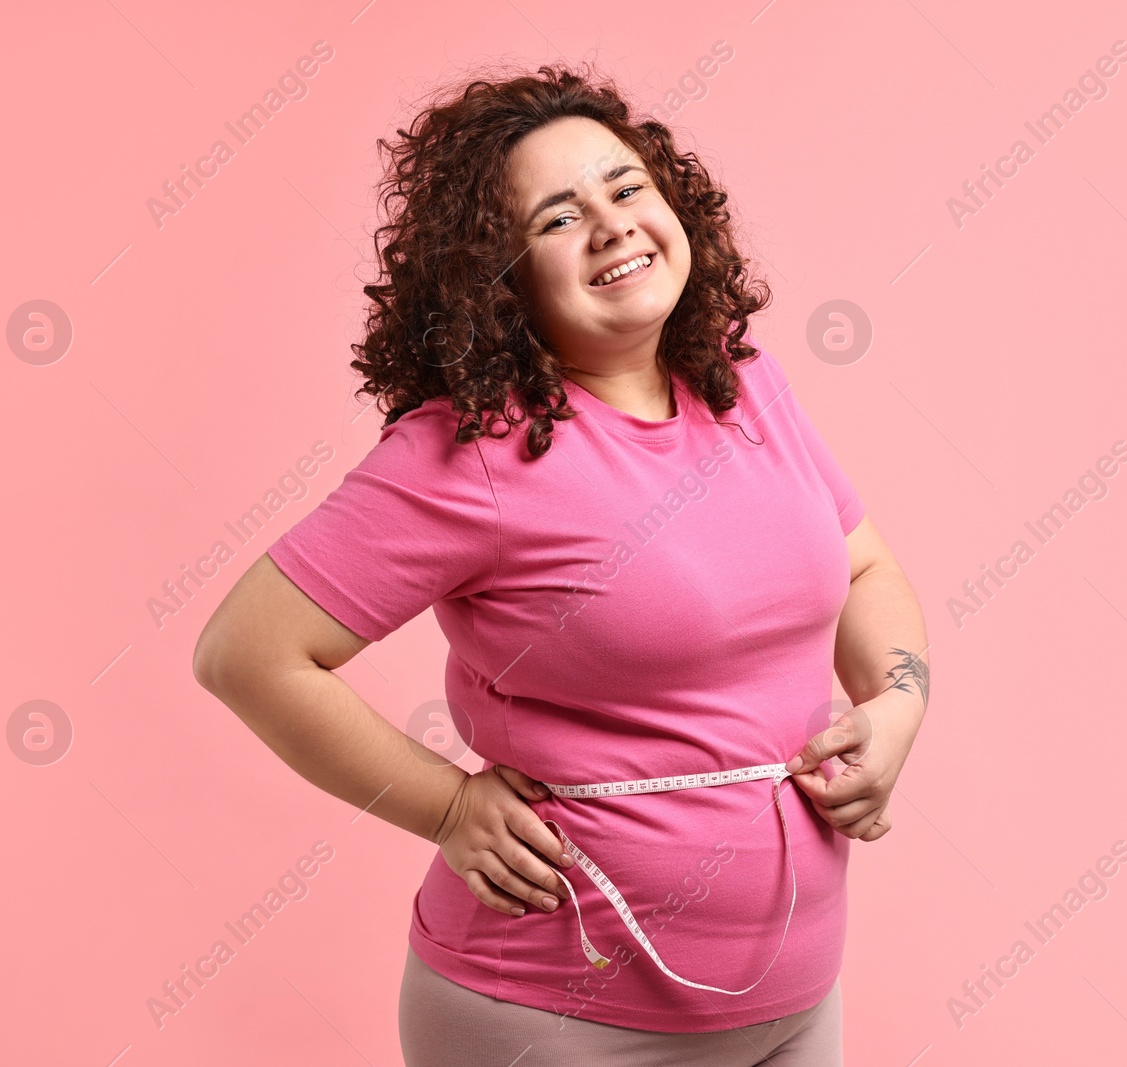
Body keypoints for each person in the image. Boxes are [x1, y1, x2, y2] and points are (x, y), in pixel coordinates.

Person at [192, 62, 929, 1066]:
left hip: (794, 1007)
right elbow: (247, 652)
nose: (613, 223)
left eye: (626, 188)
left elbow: (866, 569)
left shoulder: (741, 378)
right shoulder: (468, 452)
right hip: (557, 1019)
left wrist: (895, 707)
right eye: (556, 217)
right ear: (498, 276)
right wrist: (449, 806)